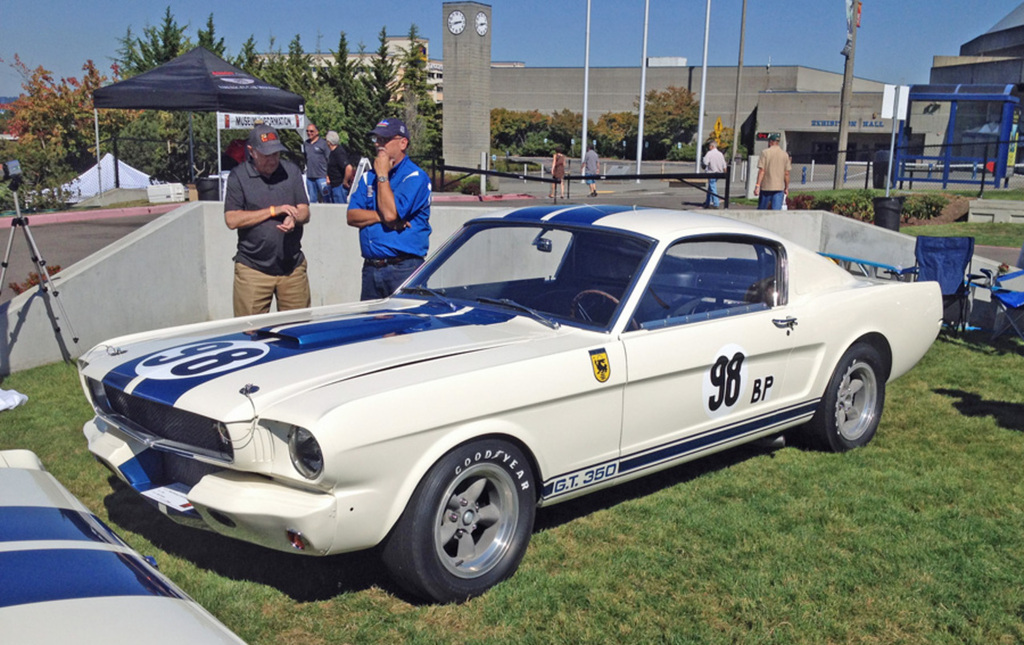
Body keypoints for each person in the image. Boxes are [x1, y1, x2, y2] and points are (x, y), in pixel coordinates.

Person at [224, 124, 311, 316]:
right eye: (266, 155)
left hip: (292, 268)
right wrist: (273, 211)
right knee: (250, 332)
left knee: (297, 330)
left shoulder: (291, 172)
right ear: (251, 151)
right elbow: (232, 219)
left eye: (276, 154)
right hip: (253, 269)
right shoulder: (238, 176)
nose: (272, 160)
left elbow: (305, 210)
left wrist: (294, 217)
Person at [347, 117, 432, 300]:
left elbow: (391, 214)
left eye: (384, 140)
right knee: (371, 327)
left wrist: (383, 175)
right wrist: (382, 217)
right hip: (371, 268)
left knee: (404, 325)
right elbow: (352, 216)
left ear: (403, 143)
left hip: (403, 267)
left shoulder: (415, 176)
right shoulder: (368, 177)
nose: (378, 145)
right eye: (376, 139)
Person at [754, 133, 791, 210]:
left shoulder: (765, 153)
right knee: (776, 213)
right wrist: (786, 187)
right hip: (779, 187)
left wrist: (757, 185)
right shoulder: (785, 155)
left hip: (766, 187)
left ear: (770, 142)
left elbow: (762, 171)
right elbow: (786, 173)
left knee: (761, 211)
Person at [303, 122, 330, 203]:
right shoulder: (306, 144)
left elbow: (329, 159)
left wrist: (328, 175)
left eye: (311, 131)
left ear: (317, 132)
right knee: (312, 199)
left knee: (326, 197)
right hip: (310, 177)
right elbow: (305, 158)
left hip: (322, 176)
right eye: (307, 131)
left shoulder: (323, 143)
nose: (309, 133)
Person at [325, 130, 354, 204]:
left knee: (340, 211)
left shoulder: (339, 153)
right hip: (333, 185)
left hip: (339, 187)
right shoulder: (333, 152)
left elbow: (349, 168)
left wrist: (345, 181)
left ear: (329, 142)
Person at [701, 140, 728, 208]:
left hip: (711, 172)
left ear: (712, 146)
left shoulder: (709, 153)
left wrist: (703, 164)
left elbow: (705, 163)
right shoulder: (720, 154)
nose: (709, 147)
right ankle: (707, 202)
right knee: (710, 187)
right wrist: (725, 173)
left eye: (709, 146)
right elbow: (724, 165)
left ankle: (716, 203)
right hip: (719, 173)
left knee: (712, 187)